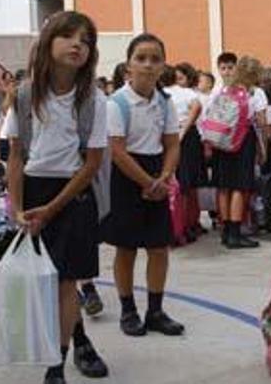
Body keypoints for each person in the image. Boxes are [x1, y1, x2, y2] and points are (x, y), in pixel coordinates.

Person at [4, 12, 109, 383]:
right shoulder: (23, 95)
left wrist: (52, 208)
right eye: (68, 35)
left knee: (66, 281)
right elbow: (15, 156)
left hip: (73, 195)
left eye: (86, 39)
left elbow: (92, 163)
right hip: (34, 193)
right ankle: (79, 339)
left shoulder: (95, 100)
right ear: (48, 41)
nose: (77, 43)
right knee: (46, 283)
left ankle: (57, 363)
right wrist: (17, 207)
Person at [101, 33, 185, 338]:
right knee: (126, 248)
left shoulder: (165, 103)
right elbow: (118, 151)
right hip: (127, 178)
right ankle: (128, 309)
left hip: (157, 173)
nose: (148, 65)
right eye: (141, 58)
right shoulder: (117, 103)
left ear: (163, 65)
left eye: (155, 59)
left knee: (158, 247)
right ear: (128, 65)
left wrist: (163, 177)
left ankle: (155, 310)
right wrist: (148, 182)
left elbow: (172, 144)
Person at [211, 55, 267, 248]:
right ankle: (236, 232)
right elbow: (260, 122)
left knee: (223, 187)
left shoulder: (223, 90)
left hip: (222, 142)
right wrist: (263, 148)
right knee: (239, 187)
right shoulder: (254, 93)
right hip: (243, 142)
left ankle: (226, 231)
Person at [170, 62, 207, 239]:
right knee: (186, 184)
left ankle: (189, 223)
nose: (179, 81)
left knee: (187, 184)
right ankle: (186, 223)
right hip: (184, 135)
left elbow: (197, 108)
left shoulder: (187, 93)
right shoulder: (185, 93)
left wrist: (183, 129)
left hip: (185, 136)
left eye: (181, 78)